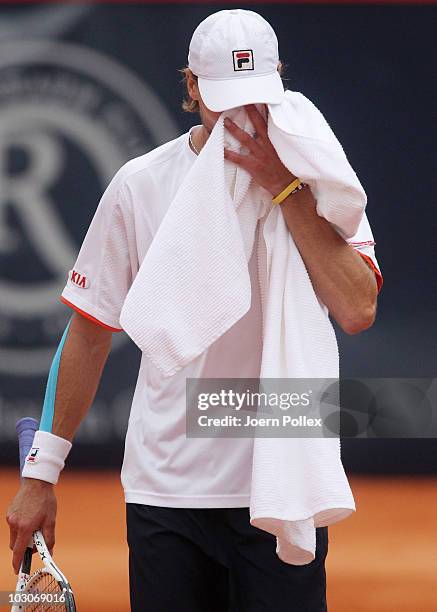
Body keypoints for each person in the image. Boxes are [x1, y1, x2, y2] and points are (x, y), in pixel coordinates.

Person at [7, 9, 382, 611]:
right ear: (191, 89)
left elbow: (357, 306)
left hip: (279, 486)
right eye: (221, 101)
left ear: (279, 82)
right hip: (167, 492)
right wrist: (40, 474)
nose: (239, 117)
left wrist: (285, 188)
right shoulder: (140, 183)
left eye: (255, 98)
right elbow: (89, 331)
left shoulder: (318, 178)